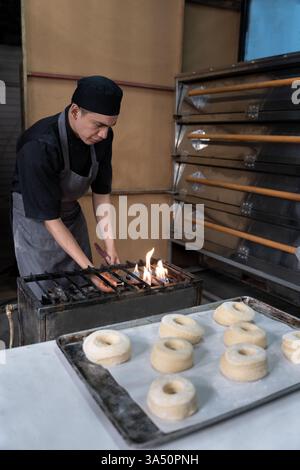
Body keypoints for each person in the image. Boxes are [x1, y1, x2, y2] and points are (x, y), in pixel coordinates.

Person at [11, 75, 123, 292]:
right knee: (45, 291)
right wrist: (90, 269)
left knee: (83, 287)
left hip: (70, 216)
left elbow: (101, 193)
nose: (104, 134)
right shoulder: (39, 144)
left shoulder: (103, 137)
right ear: (75, 112)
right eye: (98, 125)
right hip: (36, 222)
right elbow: (50, 219)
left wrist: (110, 246)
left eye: (110, 126)